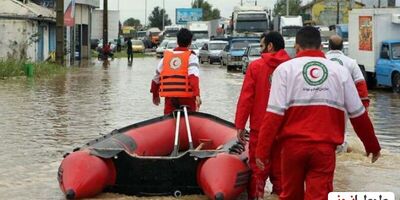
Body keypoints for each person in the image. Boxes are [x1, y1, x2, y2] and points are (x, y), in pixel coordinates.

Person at [255, 26, 381, 200]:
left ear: (297, 47)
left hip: (292, 149)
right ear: (321, 47)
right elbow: (358, 114)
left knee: (290, 195)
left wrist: (262, 151)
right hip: (324, 150)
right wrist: (372, 145)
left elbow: (273, 115)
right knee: (319, 195)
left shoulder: (284, 70)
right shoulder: (341, 72)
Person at [235, 32, 290, 199]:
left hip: (260, 130)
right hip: (286, 131)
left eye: (261, 46)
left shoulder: (256, 67)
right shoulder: (292, 67)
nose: (261, 50)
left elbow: (247, 98)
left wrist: (239, 125)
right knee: (282, 177)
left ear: (270, 46)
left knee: (258, 174)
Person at [326, 35, 370, 153]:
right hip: (343, 103)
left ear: (328, 46)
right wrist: (363, 106)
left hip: (322, 100)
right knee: (341, 130)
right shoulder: (351, 62)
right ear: (342, 48)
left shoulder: (322, 60)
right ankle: (341, 151)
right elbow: (361, 84)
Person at [150, 28, 201, 115]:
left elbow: (156, 79)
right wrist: (197, 94)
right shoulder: (192, 57)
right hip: (187, 98)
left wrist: (155, 95)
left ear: (177, 41)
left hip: (170, 98)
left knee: (168, 120)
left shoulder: (166, 58)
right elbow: (193, 77)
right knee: (190, 120)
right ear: (190, 42)